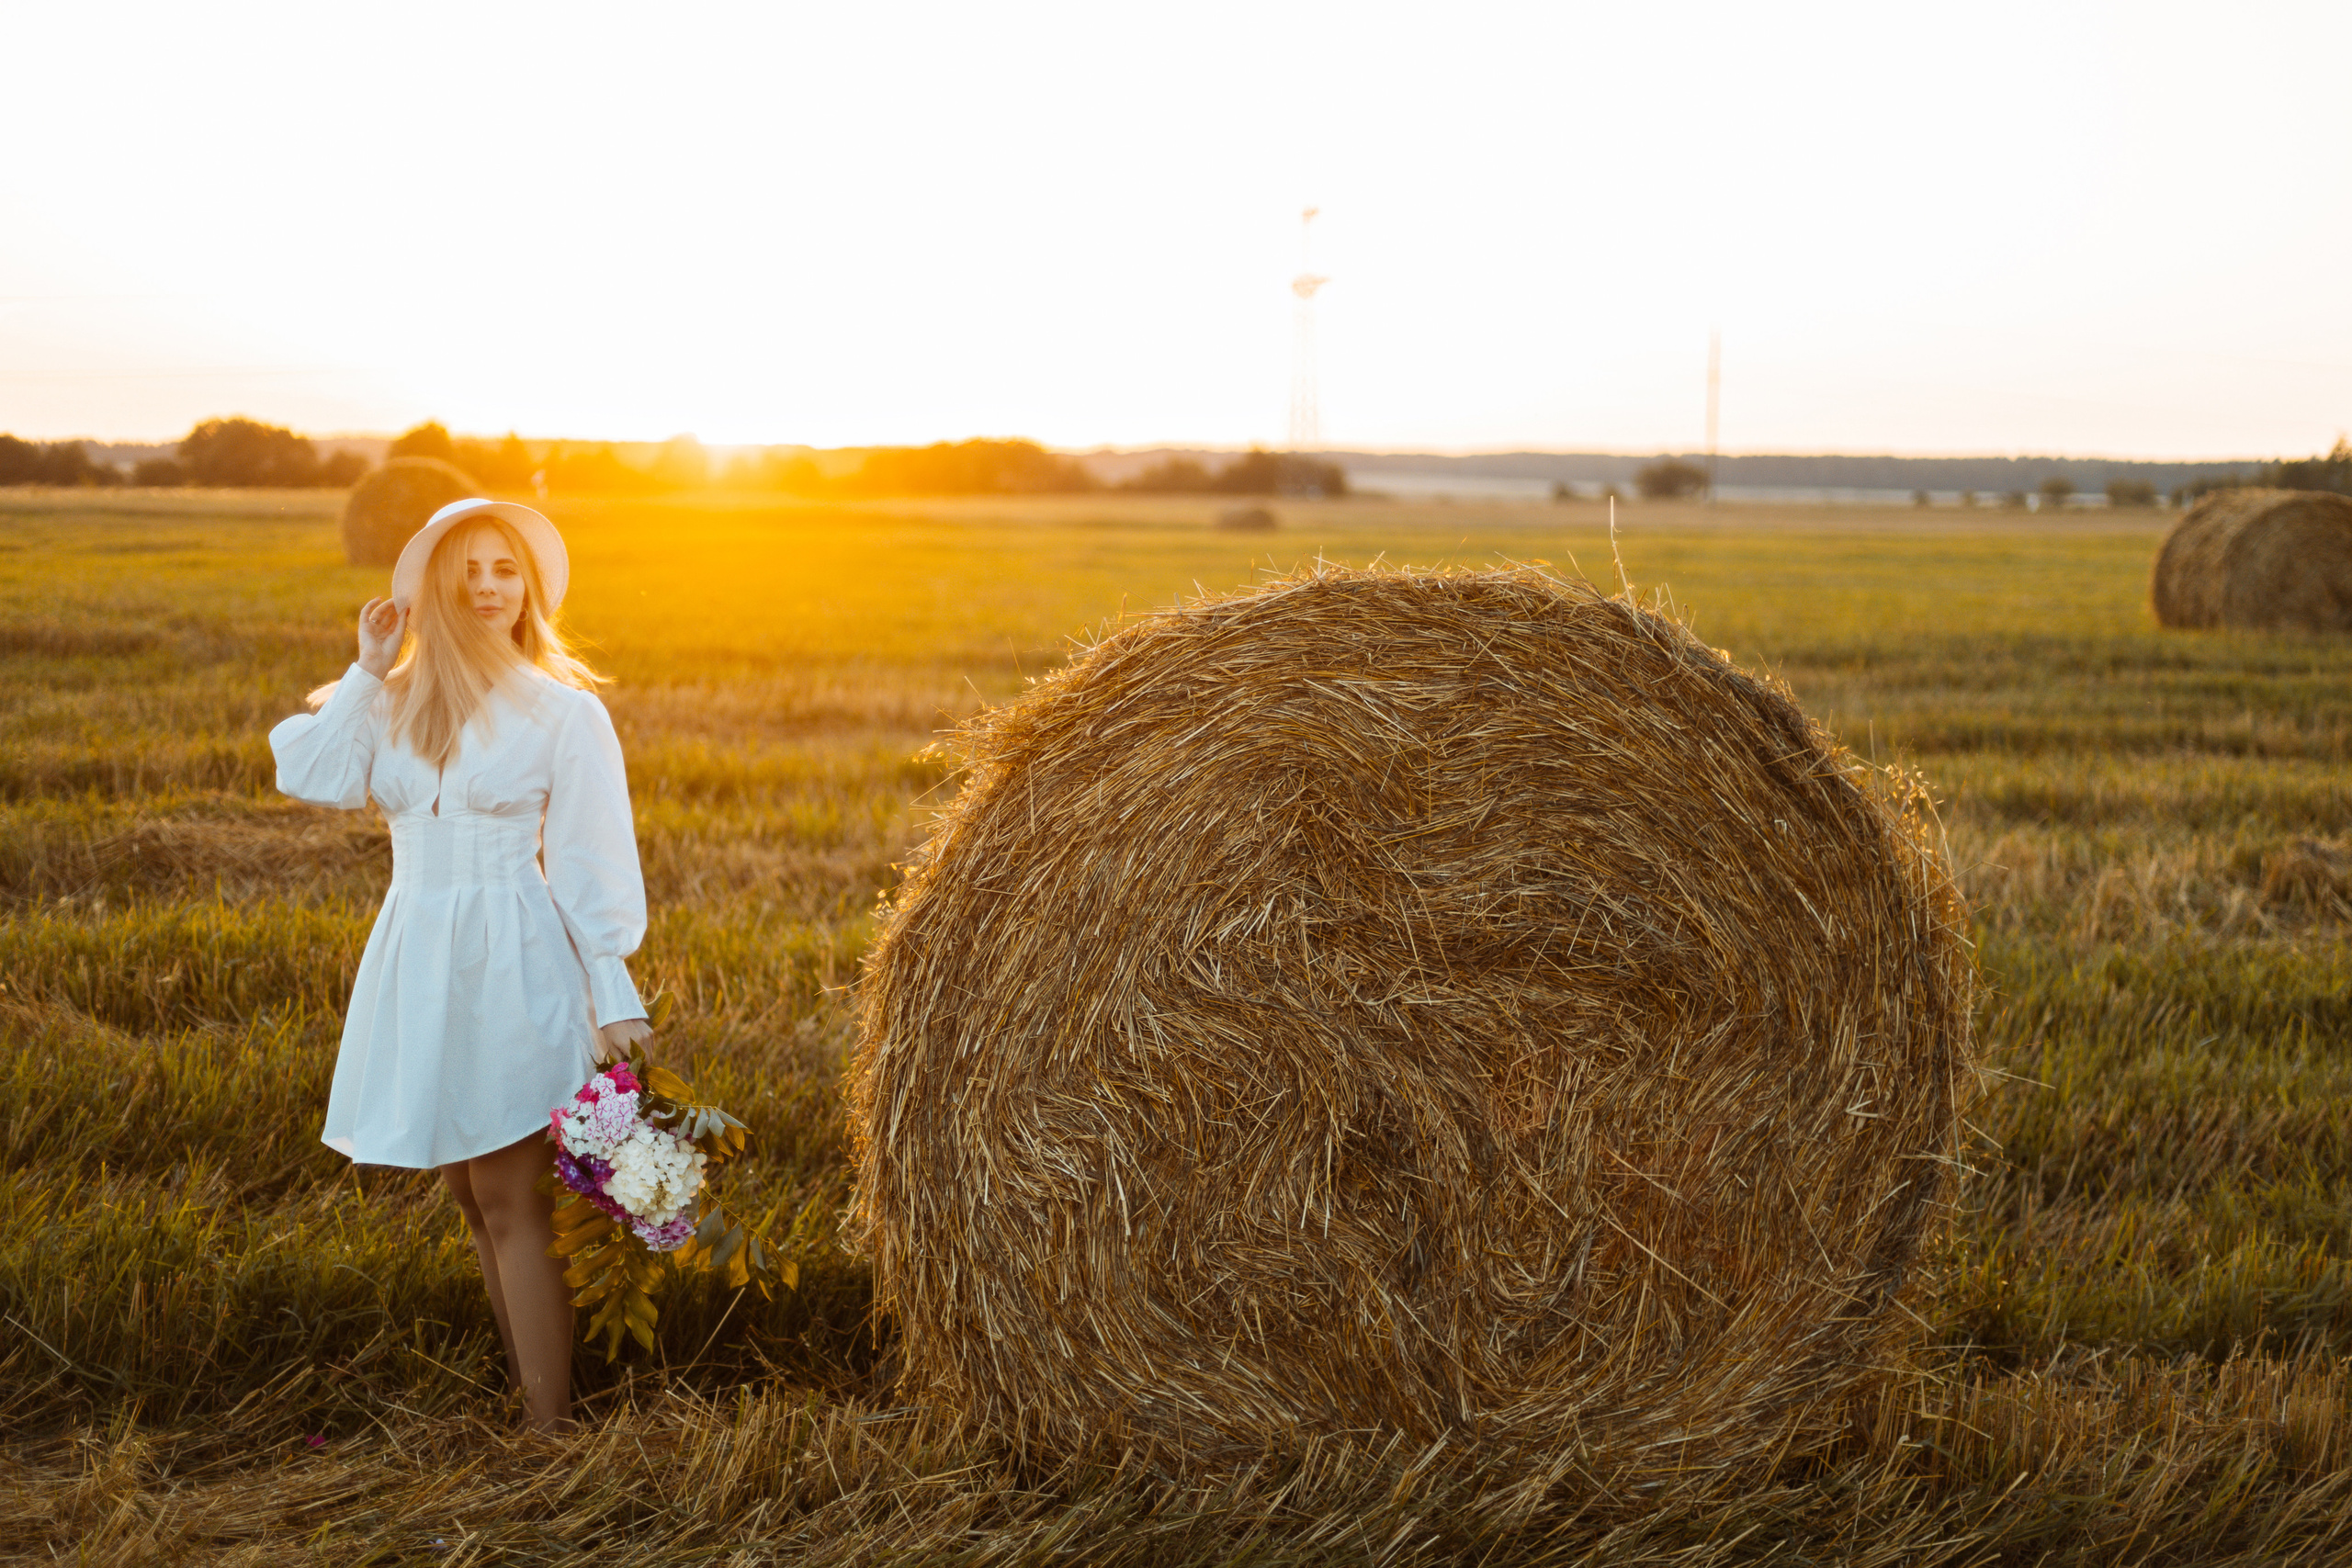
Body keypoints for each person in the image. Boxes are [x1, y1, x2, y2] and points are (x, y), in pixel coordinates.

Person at [271, 498, 650, 1431]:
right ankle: (534, 1395)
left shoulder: (563, 712)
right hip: (416, 956)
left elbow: (593, 863)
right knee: (469, 1198)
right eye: (470, 570)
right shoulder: (396, 701)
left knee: (510, 1193)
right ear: (437, 586)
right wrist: (365, 670)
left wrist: (610, 992)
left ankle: (548, 1432)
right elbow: (310, 775)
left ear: (529, 589)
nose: (488, 588)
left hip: (517, 957)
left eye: (505, 570)